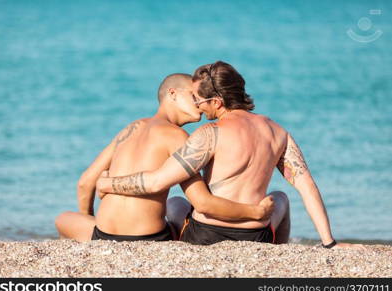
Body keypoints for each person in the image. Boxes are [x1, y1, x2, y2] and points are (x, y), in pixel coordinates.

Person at [97, 61, 364, 249]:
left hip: (206, 234)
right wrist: (329, 242)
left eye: (200, 101)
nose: (199, 109)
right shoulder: (277, 131)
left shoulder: (210, 133)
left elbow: (157, 182)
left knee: (176, 204)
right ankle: (276, 251)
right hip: (255, 233)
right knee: (281, 198)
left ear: (217, 102)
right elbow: (307, 187)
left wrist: (108, 183)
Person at [55, 73, 274, 242]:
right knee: (179, 210)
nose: (200, 103)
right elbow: (203, 202)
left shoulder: (131, 128)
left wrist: (94, 223)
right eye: (194, 97)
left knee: (63, 219)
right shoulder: (178, 137)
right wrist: (255, 212)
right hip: (149, 239)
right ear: (172, 94)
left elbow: (85, 183)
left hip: (102, 235)